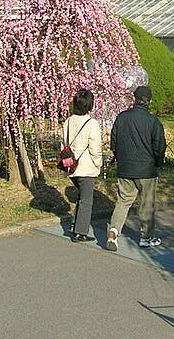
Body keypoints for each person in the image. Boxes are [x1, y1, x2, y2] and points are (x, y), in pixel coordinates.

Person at [107, 85, 166, 251]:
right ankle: (146, 237)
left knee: (123, 201)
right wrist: (157, 164)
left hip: (125, 168)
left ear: (134, 99)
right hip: (146, 170)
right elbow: (159, 146)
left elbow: (114, 142)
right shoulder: (153, 121)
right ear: (150, 101)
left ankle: (113, 231)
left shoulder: (121, 118)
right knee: (147, 204)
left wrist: (120, 159)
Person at [62, 88, 102, 242]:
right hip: (86, 167)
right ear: (90, 105)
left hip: (71, 166)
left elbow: (63, 144)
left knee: (81, 197)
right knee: (86, 200)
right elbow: (95, 147)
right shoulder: (91, 123)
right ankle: (80, 232)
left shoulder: (68, 121)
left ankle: (75, 226)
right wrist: (98, 163)